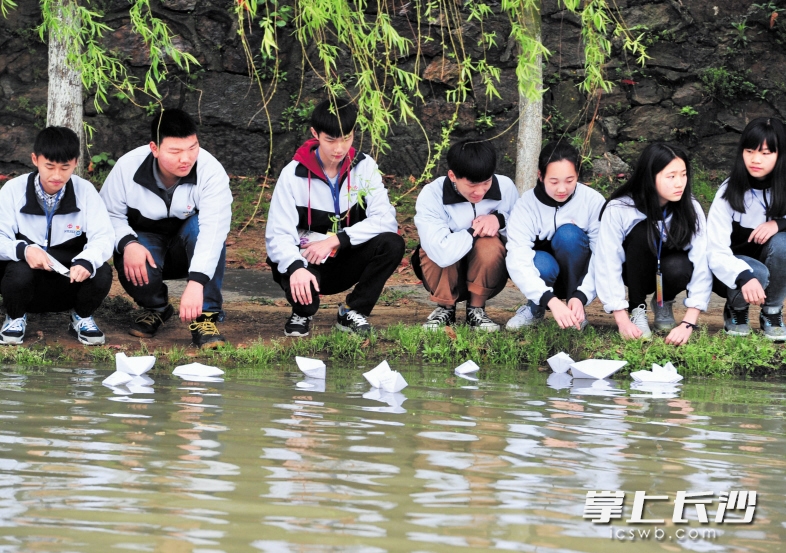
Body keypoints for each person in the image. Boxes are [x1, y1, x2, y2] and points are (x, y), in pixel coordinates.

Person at [265, 98, 404, 336]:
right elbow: (278, 234)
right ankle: (301, 312)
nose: (339, 148)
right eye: (330, 140)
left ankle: (352, 311)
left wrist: (336, 239)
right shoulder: (293, 174)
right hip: (306, 260)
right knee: (305, 303)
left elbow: (385, 219)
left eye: (347, 138)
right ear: (315, 134)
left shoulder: (364, 166)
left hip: (345, 257)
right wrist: (296, 267)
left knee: (392, 243)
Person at [100, 109, 233, 348]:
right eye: (175, 151)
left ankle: (206, 317)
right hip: (146, 238)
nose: (186, 159)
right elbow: (108, 214)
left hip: (189, 241)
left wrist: (197, 282)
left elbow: (214, 231)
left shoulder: (211, 171)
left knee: (201, 230)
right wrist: (128, 244)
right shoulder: (127, 167)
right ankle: (157, 307)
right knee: (130, 250)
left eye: (193, 148)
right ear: (155, 148)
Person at [0, 127, 113, 345]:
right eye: (49, 166)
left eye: (65, 167)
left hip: (68, 280)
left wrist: (86, 261)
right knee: (17, 272)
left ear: (75, 163)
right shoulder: (12, 190)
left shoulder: (86, 191)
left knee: (101, 272)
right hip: (25, 280)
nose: (57, 176)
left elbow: (104, 236)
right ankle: (15, 317)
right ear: (35, 159)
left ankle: (81, 316)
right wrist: (23, 249)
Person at [595, 143, 711, 344]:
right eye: (671, 176)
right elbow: (607, 261)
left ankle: (663, 303)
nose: (679, 183)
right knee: (642, 233)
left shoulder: (690, 207)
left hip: (668, 271)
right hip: (632, 271)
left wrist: (688, 323)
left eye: (683, 174)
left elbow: (702, 261)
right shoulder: (619, 207)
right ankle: (637, 309)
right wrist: (621, 319)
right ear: (650, 177)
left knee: (679, 265)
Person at [412, 140, 519, 331]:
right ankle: (445, 308)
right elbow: (440, 251)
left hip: (487, 275)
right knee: (435, 248)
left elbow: (521, 233)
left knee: (490, 243)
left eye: (486, 182)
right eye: (472, 185)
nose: (480, 191)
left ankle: (476, 310)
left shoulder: (506, 187)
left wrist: (499, 221)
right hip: (443, 272)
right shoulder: (432, 194)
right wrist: (472, 232)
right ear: (452, 176)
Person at [505, 141, 605, 330]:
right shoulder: (526, 205)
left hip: (577, 276)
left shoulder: (592, 201)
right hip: (544, 274)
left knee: (569, 235)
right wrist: (547, 298)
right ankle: (536, 308)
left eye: (569, 181)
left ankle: (576, 310)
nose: (562, 189)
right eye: (554, 181)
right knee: (541, 262)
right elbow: (517, 257)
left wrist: (582, 295)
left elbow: (603, 254)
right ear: (540, 176)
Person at [707, 117, 786, 340]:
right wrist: (743, 275)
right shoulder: (729, 191)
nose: (755, 159)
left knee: (783, 244)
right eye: (750, 151)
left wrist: (779, 223)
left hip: (770, 259)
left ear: (781, 155)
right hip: (731, 269)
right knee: (756, 272)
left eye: (765, 153)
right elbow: (714, 249)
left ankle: (771, 311)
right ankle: (736, 309)